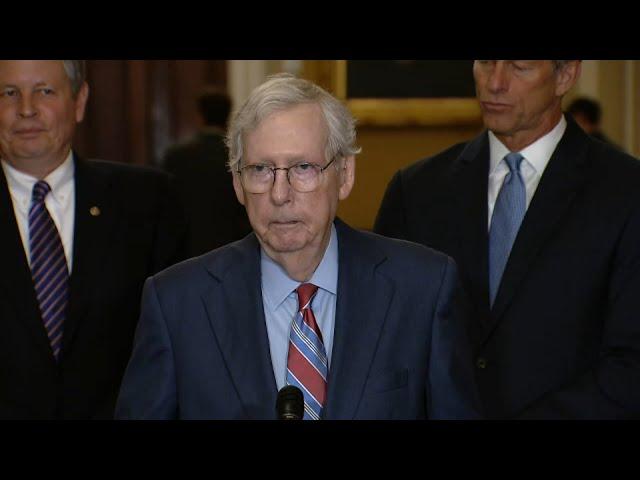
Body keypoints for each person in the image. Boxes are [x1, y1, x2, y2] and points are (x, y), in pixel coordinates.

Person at [115, 73, 481, 420]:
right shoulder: (177, 304)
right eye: (260, 170)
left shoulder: (422, 289)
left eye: (303, 167)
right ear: (238, 184)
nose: (280, 194)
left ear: (345, 175)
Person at [375, 60, 640, 419]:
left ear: (565, 75)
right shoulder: (416, 191)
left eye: (519, 67)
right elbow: (384, 348)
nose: (494, 83)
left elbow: (629, 365)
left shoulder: (625, 192)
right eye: (485, 62)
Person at [0, 60, 188, 419]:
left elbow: (180, 346)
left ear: (80, 100)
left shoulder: (149, 202)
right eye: (9, 93)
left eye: (45, 91)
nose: (26, 109)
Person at [163, 87, 251, 256]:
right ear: (228, 115)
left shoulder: (177, 157)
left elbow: (169, 210)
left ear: (199, 116)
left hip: (186, 252)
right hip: (233, 250)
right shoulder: (240, 155)